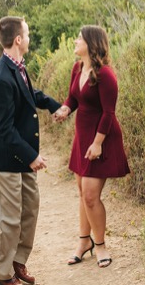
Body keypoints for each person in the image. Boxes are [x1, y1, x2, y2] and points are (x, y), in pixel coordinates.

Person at [0, 16, 69, 285]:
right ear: (18, 39)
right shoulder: (0, 80)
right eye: (27, 34)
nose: (29, 38)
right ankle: (2, 273)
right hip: (3, 161)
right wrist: (32, 156)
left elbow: (32, 95)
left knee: (30, 208)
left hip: (20, 158)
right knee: (9, 218)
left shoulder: (17, 67)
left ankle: (18, 261)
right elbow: (3, 130)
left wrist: (56, 105)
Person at [55, 25, 130, 268]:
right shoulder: (78, 68)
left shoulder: (106, 75)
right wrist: (66, 109)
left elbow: (109, 113)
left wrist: (98, 144)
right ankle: (83, 241)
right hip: (82, 136)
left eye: (79, 38)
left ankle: (100, 246)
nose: (75, 41)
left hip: (102, 138)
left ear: (91, 43)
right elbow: (73, 97)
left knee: (90, 195)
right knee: (82, 193)